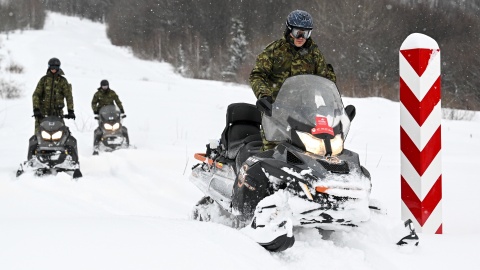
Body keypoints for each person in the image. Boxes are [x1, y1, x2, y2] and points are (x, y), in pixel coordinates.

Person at [249, 9, 337, 150]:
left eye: (306, 33)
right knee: (274, 152)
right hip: (276, 111)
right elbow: (258, 75)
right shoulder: (274, 51)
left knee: (313, 150)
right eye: (298, 32)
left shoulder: (314, 54)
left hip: (307, 112)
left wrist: (331, 102)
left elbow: (326, 79)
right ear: (289, 30)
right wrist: (264, 96)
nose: (301, 37)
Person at [32, 57, 75, 132]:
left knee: (63, 133)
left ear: (58, 68)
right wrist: (36, 109)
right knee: (37, 135)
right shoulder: (44, 80)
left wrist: (70, 110)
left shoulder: (63, 81)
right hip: (42, 114)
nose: (53, 69)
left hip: (57, 114)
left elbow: (68, 96)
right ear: (49, 67)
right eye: (52, 67)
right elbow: (36, 94)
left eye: (55, 67)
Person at [91, 79, 125, 155]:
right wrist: (95, 111)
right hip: (102, 114)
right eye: (103, 86)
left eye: (106, 86)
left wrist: (121, 110)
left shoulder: (112, 93)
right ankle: (96, 147)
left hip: (112, 112)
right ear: (101, 86)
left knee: (122, 128)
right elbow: (93, 103)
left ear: (108, 85)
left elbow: (117, 101)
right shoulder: (97, 94)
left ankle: (125, 143)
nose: (105, 87)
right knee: (98, 131)